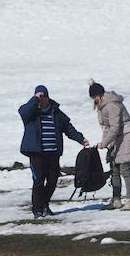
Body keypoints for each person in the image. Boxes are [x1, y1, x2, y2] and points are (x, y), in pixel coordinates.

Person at [18, 84, 89, 218]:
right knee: (38, 181)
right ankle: (37, 209)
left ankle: (45, 205)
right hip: (37, 154)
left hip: (53, 153)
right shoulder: (31, 112)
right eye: (39, 96)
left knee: (52, 181)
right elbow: (24, 112)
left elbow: (68, 128)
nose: (42, 99)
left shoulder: (55, 112)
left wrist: (80, 139)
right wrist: (34, 100)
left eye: (43, 96)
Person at [89, 80, 130, 211]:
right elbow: (107, 128)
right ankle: (116, 200)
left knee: (125, 170)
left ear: (99, 95)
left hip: (125, 139)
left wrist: (104, 143)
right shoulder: (102, 106)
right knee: (114, 170)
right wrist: (107, 143)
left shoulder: (111, 105)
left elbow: (115, 127)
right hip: (116, 141)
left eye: (94, 97)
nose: (94, 100)